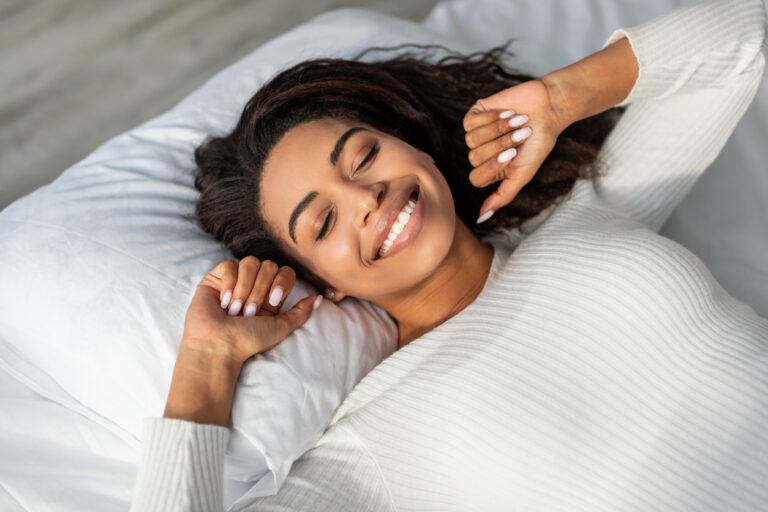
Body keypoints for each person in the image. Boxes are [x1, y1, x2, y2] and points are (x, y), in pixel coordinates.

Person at [130, 0, 768, 510]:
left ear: (414, 147)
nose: (365, 197)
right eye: (323, 221)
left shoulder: (587, 213)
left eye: (364, 156)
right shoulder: (370, 447)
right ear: (322, 284)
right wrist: (205, 369)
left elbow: (748, 37)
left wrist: (560, 98)